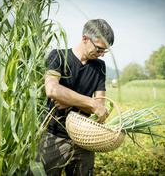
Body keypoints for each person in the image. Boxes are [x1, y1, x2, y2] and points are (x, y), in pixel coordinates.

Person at [38, 19, 114, 175]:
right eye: (99, 49)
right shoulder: (58, 56)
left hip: (84, 141)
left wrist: (68, 99)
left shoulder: (99, 66)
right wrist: (89, 103)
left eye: (105, 51)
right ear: (85, 38)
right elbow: (52, 89)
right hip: (53, 137)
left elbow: (100, 105)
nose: (102, 55)